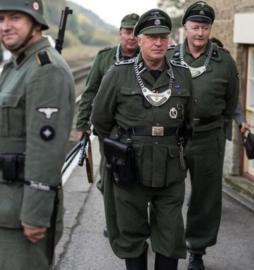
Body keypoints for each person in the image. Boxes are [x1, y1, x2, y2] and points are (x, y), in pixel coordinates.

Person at [0, 0, 75, 269]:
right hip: (3, 205)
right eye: (1, 19)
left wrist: (35, 215)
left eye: (15, 18)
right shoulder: (19, 65)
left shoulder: (46, 69)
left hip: (22, 211)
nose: (5, 26)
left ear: (36, 23)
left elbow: (46, 150)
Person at [91, 9, 193, 270]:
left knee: (170, 237)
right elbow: (101, 120)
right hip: (130, 168)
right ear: (139, 41)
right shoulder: (118, 74)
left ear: (169, 40)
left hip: (170, 170)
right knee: (132, 236)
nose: (158, 43)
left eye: (163, 37)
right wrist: (119, 149)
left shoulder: (182, 75)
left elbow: (188, 125)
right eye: (151, 37)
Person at [167, 2, 239, 269]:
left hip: (209, 135)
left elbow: (231, 103)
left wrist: (217, 127)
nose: (200, 33)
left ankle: (197, 249)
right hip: (173, 136)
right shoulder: (169, 57)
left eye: (205, 28)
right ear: (185, 27)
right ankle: (168, 243)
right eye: (195, 27)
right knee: (166, 192)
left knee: (205, 197)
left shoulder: (224, 62)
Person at [76, 13, 140, 138]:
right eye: (128, 32)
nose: (132, 37)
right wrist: (82, 124)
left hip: (138, 131)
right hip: (108, 130)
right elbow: (90, 92)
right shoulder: (104, 58)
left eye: (136, 33)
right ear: (120, 33)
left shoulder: (148, 60)